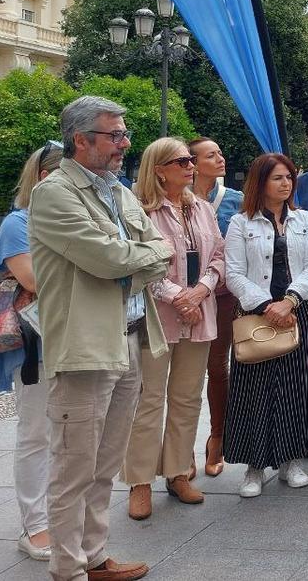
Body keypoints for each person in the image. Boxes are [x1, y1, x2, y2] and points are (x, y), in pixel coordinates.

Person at [29, 95, 175, 581]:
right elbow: (107, 259)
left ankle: (93, 557)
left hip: (130, 336)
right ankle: (67, 569)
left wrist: (131, 259)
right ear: (81, 140)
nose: (125, 143)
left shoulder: (117, 190)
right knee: (73, 468)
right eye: (115, 135)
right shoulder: (55, 193)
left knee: (104, 464)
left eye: (124, 134)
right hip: (85, 348)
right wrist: (135, 259)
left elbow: (160, 249)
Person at [122, 138, 224, 519]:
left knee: (186, 398)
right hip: (158, 318)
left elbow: (218, 255)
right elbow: (142, 264)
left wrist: (200, 292)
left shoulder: (200, 207)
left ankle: (179, 472)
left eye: (188, 161)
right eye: (181, 161)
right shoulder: (141, 210)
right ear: (159, 168)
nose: (190, 166)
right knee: (149, 401)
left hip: (200, 313)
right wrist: (179, 297)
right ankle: (140, 481)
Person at [223, 153, 308, 498]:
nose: (286, 183)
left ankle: (289, 460)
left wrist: (289, 301)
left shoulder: (304, 219)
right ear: (260, 181)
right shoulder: (241, 223)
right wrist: (267, 305)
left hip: (297, 310)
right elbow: (233, 272)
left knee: (296, 387)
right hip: (256, 314)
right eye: (277, 177)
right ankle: (253, 466)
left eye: (289, 177)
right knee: (254, 388)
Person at [0, 144, 62, 562]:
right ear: (45, 177)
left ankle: (59, 515)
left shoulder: (73, 216)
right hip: (35, 342)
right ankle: (35, 524)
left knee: (68, 434)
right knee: (36, 433)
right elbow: (32, 278)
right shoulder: (19, 222)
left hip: (74, 337)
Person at [188, 136, 244, 477]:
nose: (221, 158)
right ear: (192, 163)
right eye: (212, 155)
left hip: (224, 295)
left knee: (220, 368)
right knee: (188, 372)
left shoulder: (234, 200)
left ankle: (217, 437)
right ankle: (181, 449)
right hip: (183, 296)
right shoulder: (176, 200)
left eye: (221, 152)